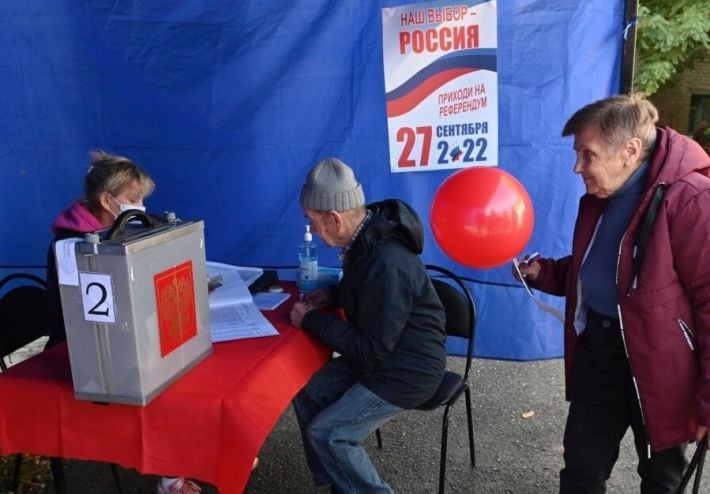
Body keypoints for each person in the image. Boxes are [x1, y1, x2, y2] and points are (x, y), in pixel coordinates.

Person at [515, 93, 710, 493]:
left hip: (660, 362)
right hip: (600, 351)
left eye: (587, 154)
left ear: (630, 151)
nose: (577, 167)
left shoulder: (691, 199)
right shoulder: (602, 195)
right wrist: (546, 273)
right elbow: (604, 266)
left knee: (661, 479)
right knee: (581, 470)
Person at [45, 151, 202, 494]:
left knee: (187, 371)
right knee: (165, 385)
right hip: (81, 353)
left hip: (124, 341)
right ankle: (170, 477)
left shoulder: (125, 231)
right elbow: (92, 317)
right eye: (134, 199)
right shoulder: (71, 248)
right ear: (107, 200)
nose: (141, 207)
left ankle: (197, 453)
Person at [290, 157, 447, 493]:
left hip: (407, 371)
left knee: (329, 434)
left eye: (312, 221)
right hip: (384, 356)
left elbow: (369, 347)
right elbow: (367, 295)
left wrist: (311, 319)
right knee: (307, 390)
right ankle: (342, 482)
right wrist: (332, 295)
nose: (312, 230)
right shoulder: (367, 238)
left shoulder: (384, 261)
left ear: (334, 218)